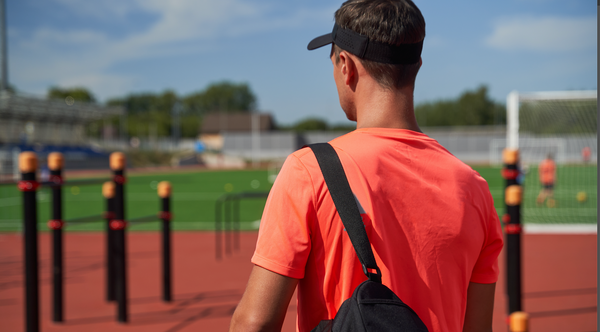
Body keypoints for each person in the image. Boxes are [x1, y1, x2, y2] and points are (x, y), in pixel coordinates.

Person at [230, 1, 503, 331]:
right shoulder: (474, 189)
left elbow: (255, 324)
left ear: (346, 66)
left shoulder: (308, 171)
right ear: (416, 64)